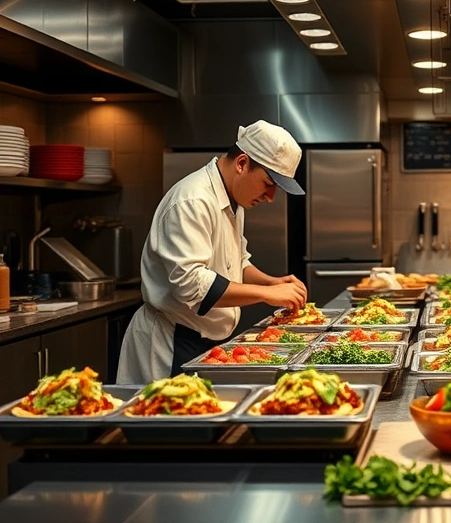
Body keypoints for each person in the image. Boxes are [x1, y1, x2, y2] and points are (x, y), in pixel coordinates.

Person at [117, 120, 308, 384]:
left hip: (206, 341)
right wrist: (267, 294)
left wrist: (272, 282)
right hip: (171, 343)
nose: (271, 197)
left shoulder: (233, 200)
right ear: (242, 163)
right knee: (170, 422)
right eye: (268, 183)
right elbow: (193, 285)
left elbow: (235, 262)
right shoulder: (192, 200)